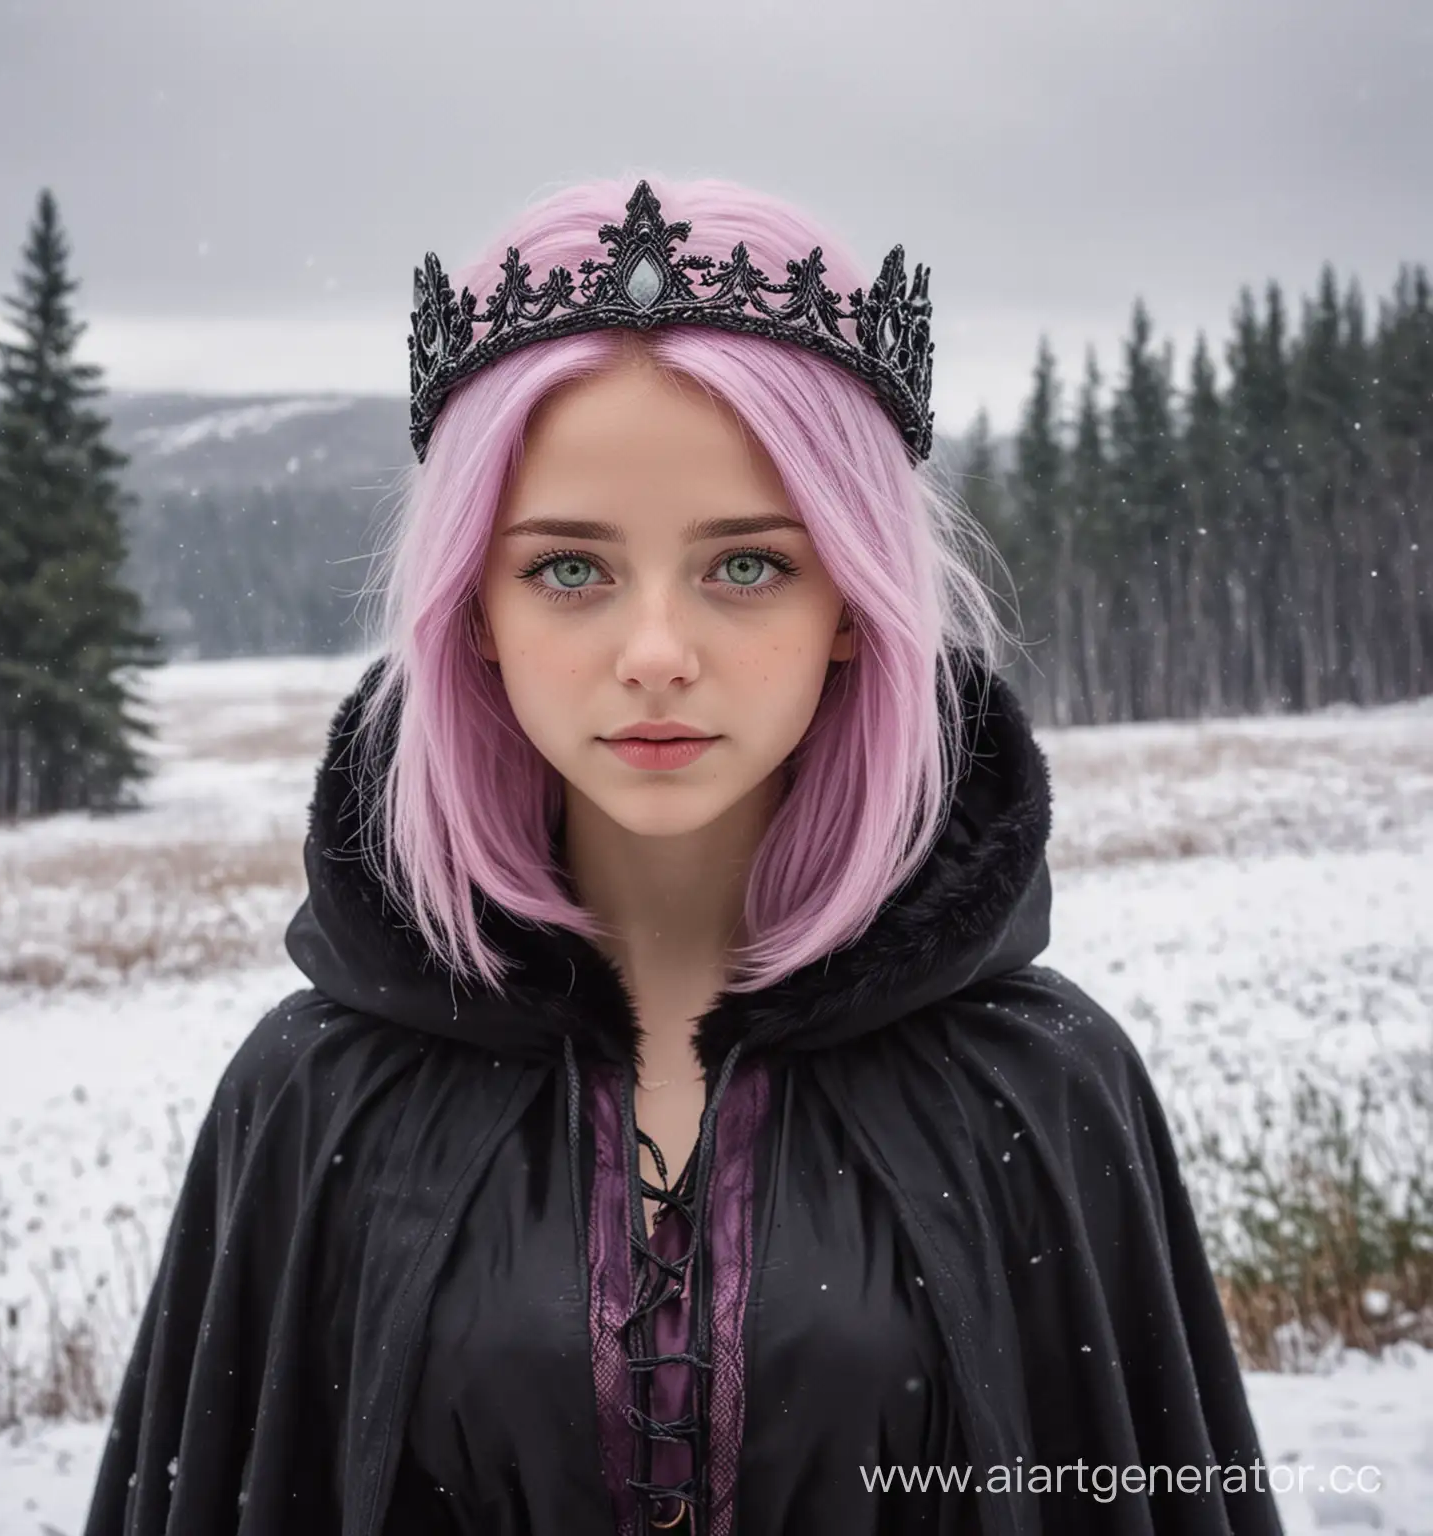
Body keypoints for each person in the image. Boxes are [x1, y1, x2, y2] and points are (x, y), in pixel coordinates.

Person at [84, 174, 1285, 1536]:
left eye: (749, 566)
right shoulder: (317, 1098)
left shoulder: (1039, 1091)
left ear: (853, 603)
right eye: (570, 571)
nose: (657, 653)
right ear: (472, 612)